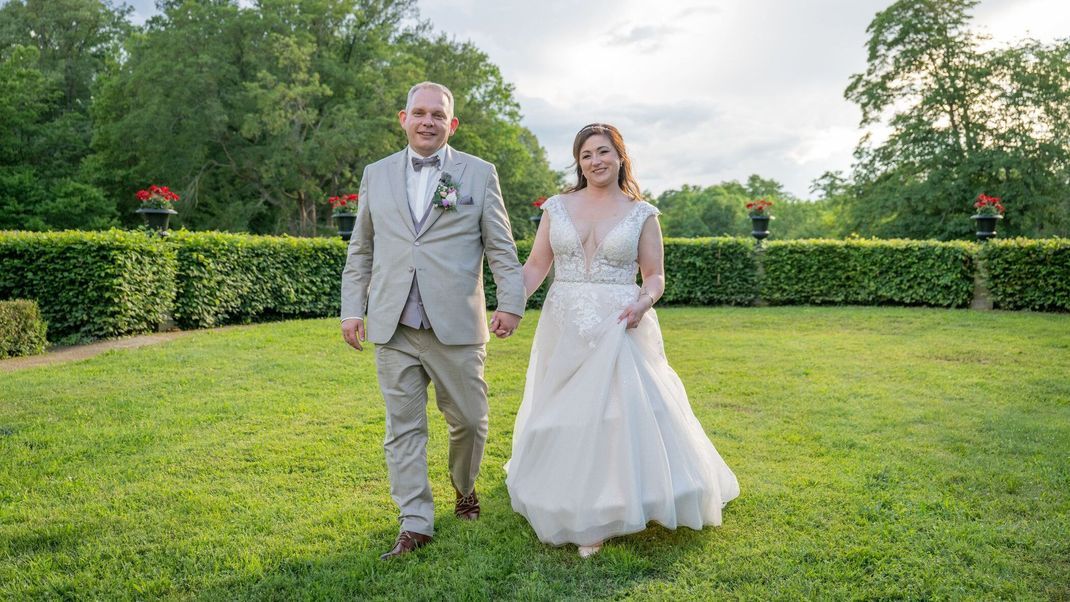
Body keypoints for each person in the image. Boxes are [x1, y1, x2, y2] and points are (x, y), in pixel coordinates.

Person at [505, 123, 740, 558]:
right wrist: (509, 304)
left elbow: (655, 276)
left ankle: (606, 511)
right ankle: (567, 498)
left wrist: (643, 303)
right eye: (587, 154)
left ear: (620, 157)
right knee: (561, 410)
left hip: (620, 320)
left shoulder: (641, 213)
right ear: (578, 162)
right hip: (565, 321)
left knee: (615, 413)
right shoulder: (556, 207)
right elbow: (536, 265)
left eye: (604, 152)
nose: (596, 161)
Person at [340, 81, 525, 560]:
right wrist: (350, 309)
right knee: (403, 429)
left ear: (452, 123)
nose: (427, 121)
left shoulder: (478, 174)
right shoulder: (375, 174)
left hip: (457, 326)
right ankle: (415, 522)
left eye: (437, 115)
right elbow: (361, 248)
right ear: (402, 119)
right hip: (393, 325)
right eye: (418, 113)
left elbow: (502, 249)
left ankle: (464, 486)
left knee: (470, 421)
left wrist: (511, 302)